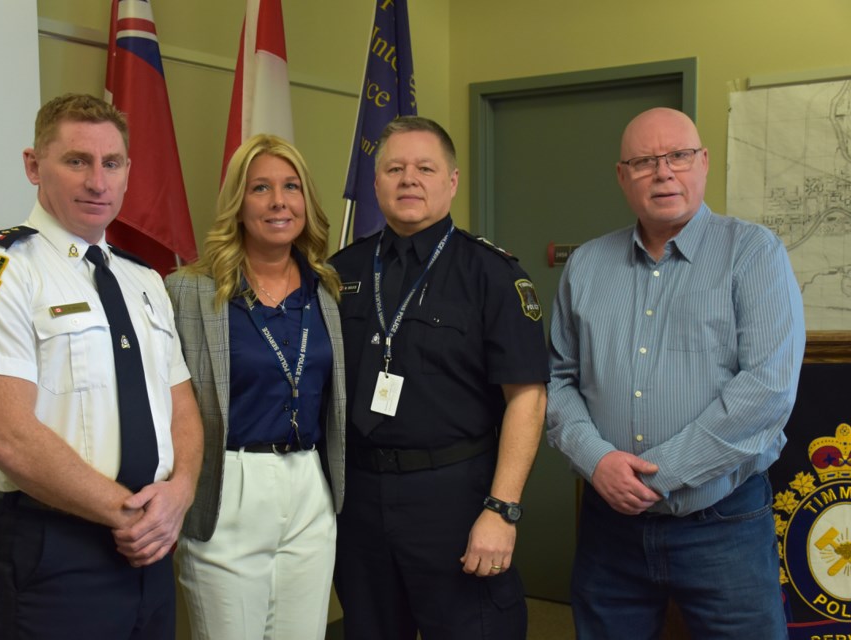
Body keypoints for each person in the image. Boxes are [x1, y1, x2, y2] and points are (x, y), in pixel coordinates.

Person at [0, 93, 203, 638]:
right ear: (34, 165)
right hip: (55, 549)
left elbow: (181, 405)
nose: (98, 182)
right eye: (77, 161)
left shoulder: (143, 279)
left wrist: (181, 493)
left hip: (151, 545)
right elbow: (7, 438)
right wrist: (132, 517)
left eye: (112, 163)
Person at [546, 107, 805, 639]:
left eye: (679, 156)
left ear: (702, 163)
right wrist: (597, 462)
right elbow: (557, 379)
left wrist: (654, 475)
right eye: (644, 161)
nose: (663, 172)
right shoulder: (588, 265)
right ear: (623, 176)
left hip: (723, 524)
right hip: (608, 529)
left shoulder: (753, 253)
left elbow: (766, 390)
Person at [329, 116, 549, 639]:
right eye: (394, 168)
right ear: (375, 182)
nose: (409, 179)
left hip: (454, 496)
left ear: (451, 182)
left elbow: (528, 398)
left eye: (425, 168)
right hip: (358, 498)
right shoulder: (342, 272)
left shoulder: (492, 274)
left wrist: (502, 510)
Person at [165, 134, 345, 640]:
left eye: (291, 187)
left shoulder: (328, 289)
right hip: (229, 483)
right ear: (237, 205)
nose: (279, 202)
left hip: (310, 486)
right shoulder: (189, 291)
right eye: (260, 188)